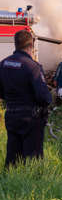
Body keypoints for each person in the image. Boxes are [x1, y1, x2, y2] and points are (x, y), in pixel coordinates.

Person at [0, 30, 52, 167]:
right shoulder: (33, 67)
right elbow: (44, 97)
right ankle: (33, 184)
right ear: (32, 46)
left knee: (13, 156)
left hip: (11, 115)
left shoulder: (3, 64)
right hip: (31, 118)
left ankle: (11, 183)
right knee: (33, 158)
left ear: (15, 44)